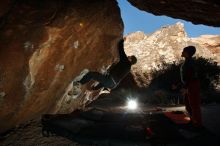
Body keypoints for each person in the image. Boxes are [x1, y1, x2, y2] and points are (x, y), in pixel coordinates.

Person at [172, 46, 202, 128]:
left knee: (194, 105)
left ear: (187, 53)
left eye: (183, 51)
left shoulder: (191, 62)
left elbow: (191, 76)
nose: (182, 52)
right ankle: (193, 121)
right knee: (188, 105)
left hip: (193, 85)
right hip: (189, 85)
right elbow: (184, 76)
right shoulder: (186, 62)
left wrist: (185, 87)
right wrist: (178, 84)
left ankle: (198, 125)